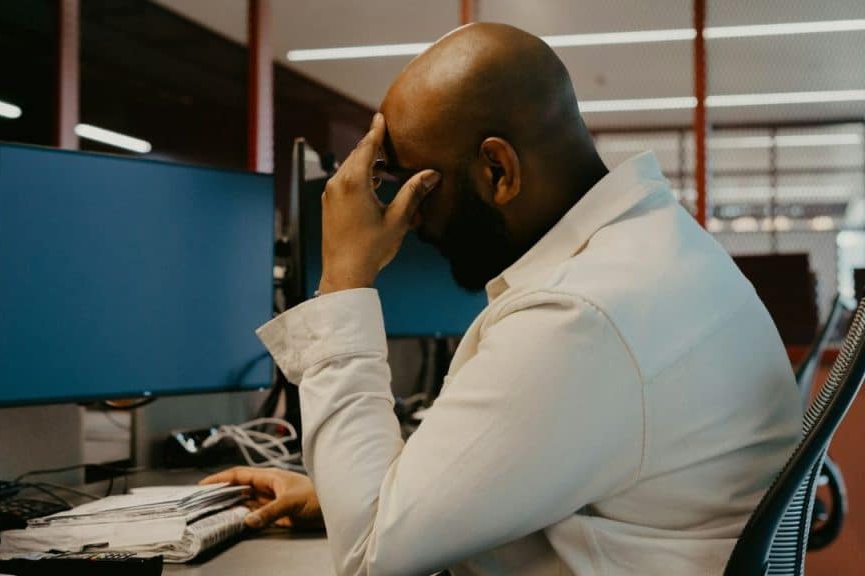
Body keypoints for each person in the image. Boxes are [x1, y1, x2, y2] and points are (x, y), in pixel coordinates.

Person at [202, 22, 801, 576]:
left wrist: (344, 281)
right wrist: (359, 496)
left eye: (417, 186)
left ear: (497, 170)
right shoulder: (652, 251)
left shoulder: (580, 314)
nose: (408, 223)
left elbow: (368, 557)